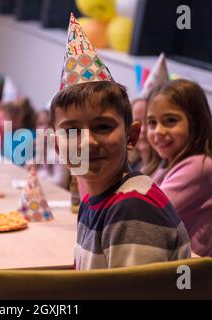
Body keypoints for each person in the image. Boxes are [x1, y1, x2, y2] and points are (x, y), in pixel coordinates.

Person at [50, 14, 191, 270]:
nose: (88, 142)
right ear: (58, 146)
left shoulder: (133, 208)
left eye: (102, 127)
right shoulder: (93, 202)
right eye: (71, 132)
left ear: (132, 136)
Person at [144, 79, 212, 257]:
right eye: (152, 123)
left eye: (170, 121)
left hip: (185, 278)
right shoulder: (162, 164)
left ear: (196, 123)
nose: (158, 131)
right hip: (163, 267)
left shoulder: (200, 167)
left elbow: (144, 214)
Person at [35, 109, 69, 189]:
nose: (45, 128)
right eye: (40, 124)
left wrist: (37, 174)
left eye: (49, 124)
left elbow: (60, 183)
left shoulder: (59, 149)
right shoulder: (41, 145)